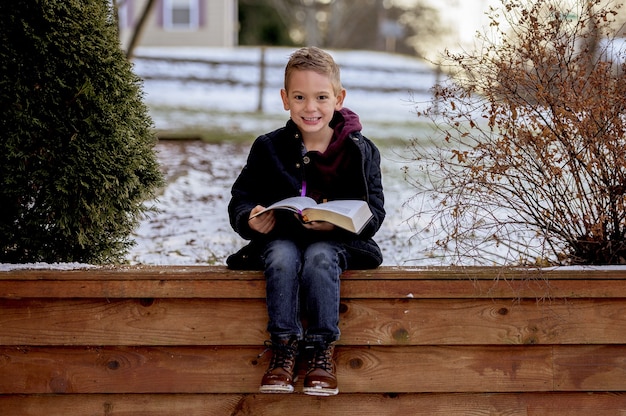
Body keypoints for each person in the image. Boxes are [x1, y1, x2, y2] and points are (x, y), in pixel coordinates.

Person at [227, 46, 385, 396]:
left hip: (335, 242)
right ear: (285, 99)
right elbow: (242, 197)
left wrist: (337, 224)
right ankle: (284, 349)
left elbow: (374, 210)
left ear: (339, 98)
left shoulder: (361, 151)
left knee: (319, 257)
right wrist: (250, 219)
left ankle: (320, 351)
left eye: (321, 97)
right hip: (281, 237)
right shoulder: (268, 147)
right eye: (299, 97)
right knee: (283, 256)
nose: (310, 107)